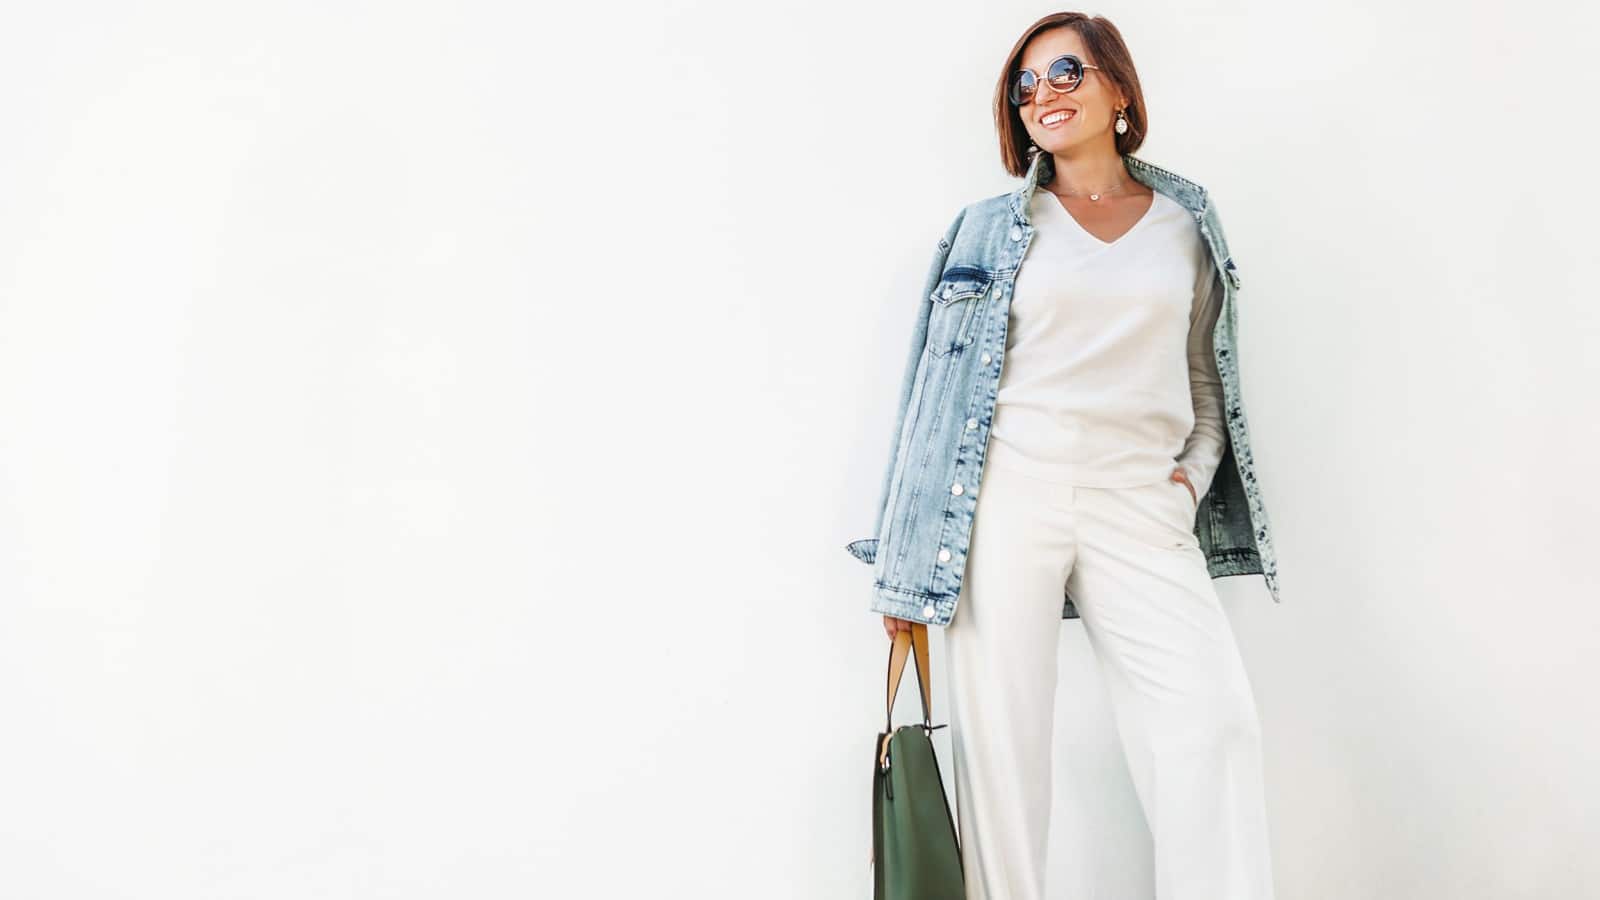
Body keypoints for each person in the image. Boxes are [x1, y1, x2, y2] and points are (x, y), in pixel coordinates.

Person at [856, 12, 1279, 900]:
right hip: (1007, 496)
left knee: (1214, 729)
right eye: (1025, 86)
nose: (1043, 95)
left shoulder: (1184, 222)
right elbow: (927, 401)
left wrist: (1189, 479)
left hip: (1141, 504)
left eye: (1066, 74)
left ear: (1119, 89)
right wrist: (905, 573)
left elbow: (1207, 382)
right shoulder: (986, 229)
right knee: (1005, 764)